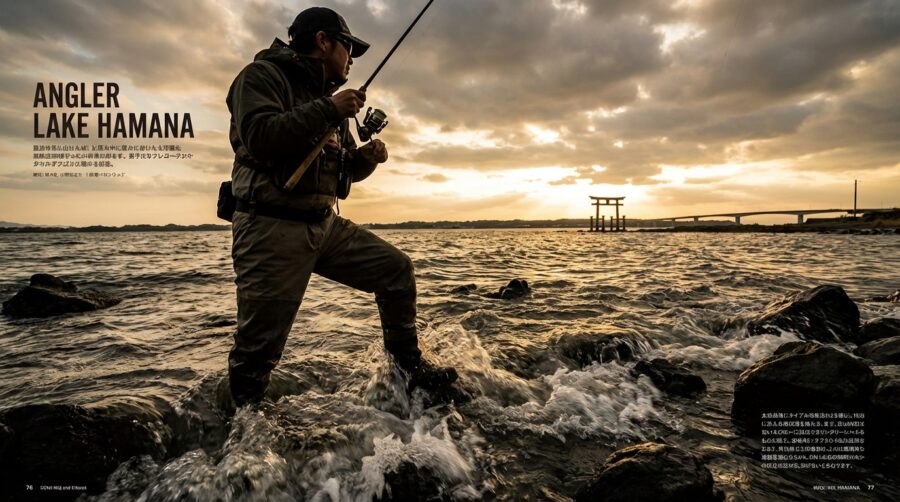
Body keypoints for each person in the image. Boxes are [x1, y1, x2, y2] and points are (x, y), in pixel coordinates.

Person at [224, 7, 457, 408]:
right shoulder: (260, 77)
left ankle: (409, 373)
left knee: (396, 271)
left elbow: (342, 179)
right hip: (269, 229)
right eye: (349, 49)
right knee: (256, 354)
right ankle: (239, 433)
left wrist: (368, 158)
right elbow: (261, 136)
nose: (351, 60)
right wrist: (330, 109)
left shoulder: (331, 103)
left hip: (323, 226)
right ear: (323, 41)